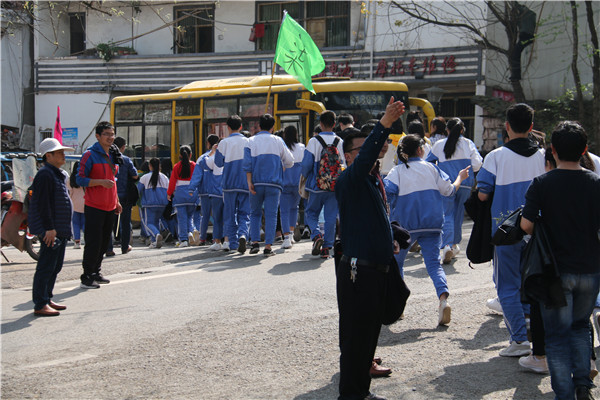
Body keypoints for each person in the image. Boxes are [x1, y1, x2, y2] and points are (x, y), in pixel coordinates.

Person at [520, 121, 600, 399]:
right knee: (580, 327)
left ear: (552, 150)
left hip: (553, 270)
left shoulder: (542, 184)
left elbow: (526, 226)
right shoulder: (596, 183)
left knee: (555, 336)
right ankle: (582, 387)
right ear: (584, 150)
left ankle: (563, 393)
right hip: (590, 268)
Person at [334, 97, 406, 400]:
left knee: (368, 337)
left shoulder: (373, 180)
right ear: (350, 156)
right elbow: (366, 160)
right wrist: (385, 123)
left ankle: (360, 391)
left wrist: (390, 236)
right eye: (361, 149)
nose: (372, 152)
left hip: (376, 267)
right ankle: (351, 394)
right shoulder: (350, 178)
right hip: (358, 271)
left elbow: (375, 218)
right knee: (356, 340)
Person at [477, 103, 545, 356]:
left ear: (507, 126)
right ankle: (533, 330)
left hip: (506, 231)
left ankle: (518, 340)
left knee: (507, 285)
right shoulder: (543, 156)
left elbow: (483, 195)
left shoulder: (495, 157)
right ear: (531, 127)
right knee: (536, 281)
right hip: (538, 230)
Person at [385, 135, 470, 325]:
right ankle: (443, 300)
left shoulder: (397, 171)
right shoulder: (432, 168)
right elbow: (449, 190)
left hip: (405, 225)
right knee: (434, 264)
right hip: (432, 223)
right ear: (421, 150)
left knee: (397, 263)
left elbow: (387, 192)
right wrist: (460, 177)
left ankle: (398, 307)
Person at [29, 138, 75, 315]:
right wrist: (49, 228)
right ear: (48, 156)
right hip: (52, 229)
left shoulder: (57, 173)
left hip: (60, 228)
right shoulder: (45, 174)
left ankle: (47, 297)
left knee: (55, 266)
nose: (63, 155)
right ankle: (40, 303)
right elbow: (43, 204)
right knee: (46, 266)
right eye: (59, 152)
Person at [427, 118, 482, 263]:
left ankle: (447, 245)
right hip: (464, 184)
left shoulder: (439, 145)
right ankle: (453, 244)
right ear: (462, 130)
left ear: (447, 130)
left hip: (446, 184)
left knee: (448, 214)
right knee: (458, 216)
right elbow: (477, 164)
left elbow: (428, 163)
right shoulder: (468, 143)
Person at [77, 121, 122, 289]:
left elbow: (113, 181)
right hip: (94, 205)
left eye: (112, 134)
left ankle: (96, 271)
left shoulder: (113, 154)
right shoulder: (89, 155)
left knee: (104, 242)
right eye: (107, 134)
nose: (110, 137)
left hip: (110, 205)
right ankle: (87, 276)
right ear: (98, 136)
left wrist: (116, 200)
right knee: (93, 242)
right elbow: (79, 179)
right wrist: (100, 182)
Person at [243, 114, 294, 256]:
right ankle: (268, 246)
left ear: (259, 125)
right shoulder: (278, 141)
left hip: (256, 183)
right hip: (274, 184)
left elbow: (247, 164)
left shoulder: (250, 141)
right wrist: (281, 166)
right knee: (271, 215)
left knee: (255, 213)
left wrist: (249, 182)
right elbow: (290, 160)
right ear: (273, 127)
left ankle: (254, 243)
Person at [301, 110, 345, 259]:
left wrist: (304, 178)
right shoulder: (340, 142)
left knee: (311, 212)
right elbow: (344, 164)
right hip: (334, 187)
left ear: (320, 123)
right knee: (331, 216)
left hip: (316, 186)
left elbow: (306, 165)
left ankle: (316, 235)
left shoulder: (314, 141)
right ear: (335, 124)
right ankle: (327, 248)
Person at [215, 115, 251, 253]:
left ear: (228, 127)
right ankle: (243, 234)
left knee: (230, 215)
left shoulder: (224, 143)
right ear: (241, 127)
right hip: (245, 183)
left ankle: (233, 243)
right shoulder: (248, 141)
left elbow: (218, 163)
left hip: (229, 184)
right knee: (244, 214)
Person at [189, 134, 220, 246]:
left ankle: (202, 238)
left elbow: (197, 176)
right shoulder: (220, 156)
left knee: (205, 215)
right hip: (217, 191)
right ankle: (216, 239)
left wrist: (192, 188)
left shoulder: (202, 158)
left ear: (208, 143)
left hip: (204, 191)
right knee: (217, 215)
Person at [279, 125, 305, 249]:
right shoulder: (301, 147)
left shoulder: (283, 147)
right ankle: (291, 232)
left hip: (284, 183)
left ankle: (286, 237)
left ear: (285, 135)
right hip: (297, 184)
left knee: (284, 210)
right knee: (294, 208)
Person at [111, 136, 138, 254]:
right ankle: (125, 246)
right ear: (122, 147)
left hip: (110, 195)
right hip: (124, 196)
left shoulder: (107, 158)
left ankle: (108, 249)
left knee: (109, 222)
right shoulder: (126, 160)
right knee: (125, 222)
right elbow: (135, 175)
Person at [167, 145, 197, 247]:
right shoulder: (194, 165)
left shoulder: (176, 167)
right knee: (190, 216)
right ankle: (191, 232)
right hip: (192, 193)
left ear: (180, 155)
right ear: (191, 155)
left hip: (180, 194)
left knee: (181, 218)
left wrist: (169, 193)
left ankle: (183, 239)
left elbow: (172, 182)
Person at [139, 157, 169, 248]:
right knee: (156, 222)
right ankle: (154, 242)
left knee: (147, 223)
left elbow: (138, 190)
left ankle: (156, 234)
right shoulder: (164, 177)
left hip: (149, 204)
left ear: (150, 166)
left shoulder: (145, 177)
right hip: (162, 204)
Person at [204, 140, 225, 251]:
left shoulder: (214, 158)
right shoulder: (231, 157)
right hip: (228, 191)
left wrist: (212, 152)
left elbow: (204, 163)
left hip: (216, 193)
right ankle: (228, 240)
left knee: (217, 218)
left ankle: (217, 241)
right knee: (229, 217)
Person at [67, 161, 85, 249]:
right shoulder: (84, 177)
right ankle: (88, 239)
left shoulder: (71, 179)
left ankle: (77, 242)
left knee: (75, 223)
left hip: (74, 203)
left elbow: (69, 192)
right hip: (86, 202)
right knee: (85, 222)